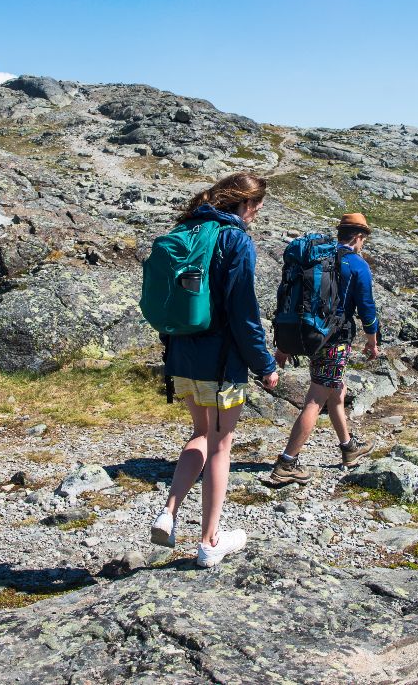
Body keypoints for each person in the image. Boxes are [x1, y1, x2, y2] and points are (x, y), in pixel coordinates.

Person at [150, 172, 279, 567]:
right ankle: (209, 541)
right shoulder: (235, 239)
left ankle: (169, 513)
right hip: (221, 362)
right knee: (222, 444)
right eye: (256, 207)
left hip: (182, 355)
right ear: (244, 204)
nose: (256, 214)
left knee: (200, 434)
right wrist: (265, 364)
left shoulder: (187, 230)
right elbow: (244, 313)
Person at [267, 213, 380, 485]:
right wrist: (372, 341)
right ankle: (287, 463)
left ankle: (348, 448)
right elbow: (366, 308)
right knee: (316, 398)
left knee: (336, 390)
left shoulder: (318, 259)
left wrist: (282, 345)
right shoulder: (356, 264)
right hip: (335, 340)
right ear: (359, 236)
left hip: (312, 333)